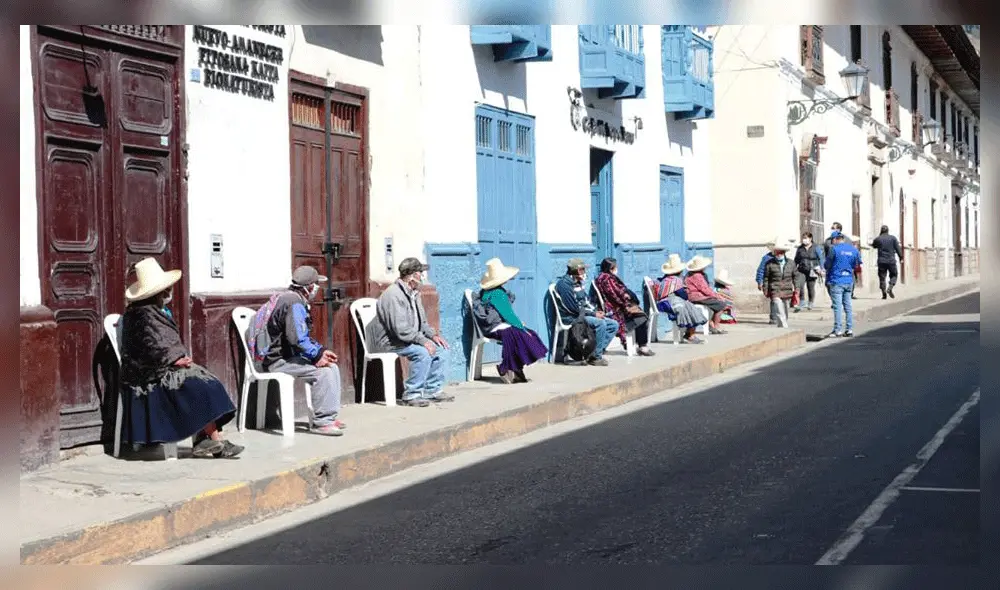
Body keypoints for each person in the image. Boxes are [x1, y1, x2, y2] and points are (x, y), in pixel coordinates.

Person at [119, 257, 244, 458]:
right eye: (166, 289)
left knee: (205, 380)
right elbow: (145, 348)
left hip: (164, 366)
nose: (170, 291)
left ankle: (207, 440)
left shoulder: (157, 311)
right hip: (149, 375)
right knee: (198, 386)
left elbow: (164, 341)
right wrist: (172, 359)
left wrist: (177, 358)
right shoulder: (140, 315)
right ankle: (214, 440)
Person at [254, 265, 346, 436]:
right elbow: (296, 338)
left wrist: (321, 351)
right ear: (310, 288)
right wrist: (316, 356)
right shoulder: (293, 303)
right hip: (276, 361)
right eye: (316, 285)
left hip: (287, 357)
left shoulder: (291, 298)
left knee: (332, 366)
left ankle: (329, 416)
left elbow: (301, 336)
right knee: (323, 372)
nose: (317, 290)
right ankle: (322, 422)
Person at [367, 257, 452, 407]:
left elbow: (423, 323)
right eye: (420, 272)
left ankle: (431, 390)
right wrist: (423, 341)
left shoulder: (415, 293)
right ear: (412, 276)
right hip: (389, 342)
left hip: (406, 339)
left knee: (442, 350)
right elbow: (401, 330)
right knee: (423, 353)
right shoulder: (393, 295)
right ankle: (412, 394)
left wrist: (433, 336)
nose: (423, 276)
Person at [474, 257, 548, 384]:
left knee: (520, 334)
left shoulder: (488, 291)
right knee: (522, 335)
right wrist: (522, 327)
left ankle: (515, 369)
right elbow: (508, 315)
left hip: (491, 326)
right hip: (494, 328)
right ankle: (507, 368)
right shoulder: (498, 294)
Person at [554, 258, 619, 366]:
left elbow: (586, 301)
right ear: (575, 271)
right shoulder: (564, 285)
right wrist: (594, 314)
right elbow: (573, 308)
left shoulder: (577, 283)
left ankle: (592, 352)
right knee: (600, 323)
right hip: (574, 317)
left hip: (585, 313)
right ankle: (596, 357)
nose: (584, 272)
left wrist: (596, 311)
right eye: (582, 270)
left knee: (613, 324)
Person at [594, 257, 655, 356]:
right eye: (615, 267)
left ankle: (641, 345)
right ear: (610, 268)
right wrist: (627, 300)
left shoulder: (603, 277)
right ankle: (642, 346)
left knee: (639, 313)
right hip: (615, 309)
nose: (616, 269)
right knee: (641, 317)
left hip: (617, 306)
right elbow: (616, 294)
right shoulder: (607, 279)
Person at [651, 254, 707, 343]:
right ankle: (691, 334)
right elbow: (683, 295)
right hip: (669, 304)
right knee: (690, 307)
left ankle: (689, 334)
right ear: (679, 271)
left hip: (661, 303)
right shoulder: (676, 280)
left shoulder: (664, 279)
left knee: (688, 306)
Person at [824, 230, 863, 338]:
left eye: (832, 240)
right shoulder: (853, 250)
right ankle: (849, 329)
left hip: (836, 280)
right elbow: (857, 264)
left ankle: (837, 330)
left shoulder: (834, 249)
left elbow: (827, 264)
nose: (832, 243)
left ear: (836, 239)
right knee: (848, 306)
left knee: (837, 307)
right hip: (849, 280)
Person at [684, 255, 728, 334]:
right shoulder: (698, 276)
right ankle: (716, 326)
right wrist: (717, 296)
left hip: (692, 297)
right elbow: (705, 290)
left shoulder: (689, 274)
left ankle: (711, 324)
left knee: (713, 305)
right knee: (722, 305)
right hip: (698, 297)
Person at [762, 238, 797, 328]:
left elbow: (795, 276)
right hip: (775, 289)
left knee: (784, 308)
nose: (779, 254)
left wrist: (797, 289)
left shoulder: (791, 263)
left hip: (787, 289)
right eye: (777, 252)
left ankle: (782, 325)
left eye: (781, 252)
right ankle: (784, 326)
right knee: (778, 307)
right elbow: (766, 277)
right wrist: (765, 289)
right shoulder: (769, 263)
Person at [793, 231, 824, 311]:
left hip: (812, 270)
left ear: (810, 239)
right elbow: (796, 259)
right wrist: (793, 268)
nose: (804, 240)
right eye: (803, 238)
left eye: (806, 238)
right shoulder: (800, 248)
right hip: (801, 269)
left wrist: (821, 268)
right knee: (800, 285)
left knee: (810, 287)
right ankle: (802, 301)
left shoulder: (816, 247)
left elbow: (821, 258)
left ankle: (810, 302)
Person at [871, 224, 903, 299]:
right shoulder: (893, 238)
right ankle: (890, 287)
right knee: (894, 274)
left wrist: (879, 236)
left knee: (882, 277)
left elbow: (874, 245)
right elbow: (898, 249)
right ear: (888, 231)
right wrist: (901, 257)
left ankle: (883, 293)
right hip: (891, 260)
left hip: (881, 261)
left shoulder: (878, 239)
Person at [755, 240, 778, 324]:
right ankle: (773, 318)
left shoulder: (784, 258)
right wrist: (759, 281)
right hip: (771, 282)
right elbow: (761, 270)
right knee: (774, 299)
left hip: (781, 282)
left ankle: (780, 317)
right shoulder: (766, 258)